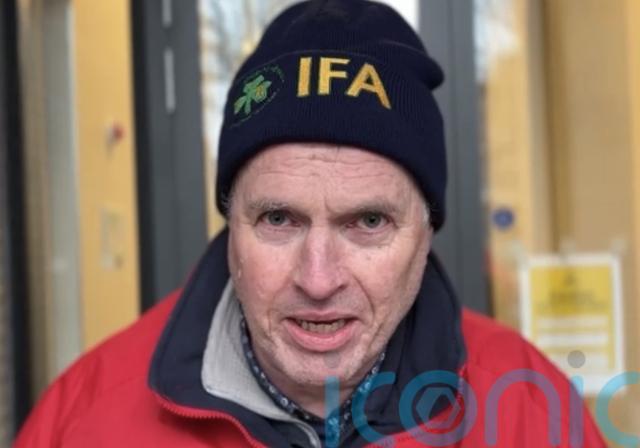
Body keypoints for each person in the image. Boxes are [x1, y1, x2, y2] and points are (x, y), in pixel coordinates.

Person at [16, 1, 607, 447]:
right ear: (231, 225)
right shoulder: (85, 420)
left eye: (368, 221)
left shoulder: (533, 413)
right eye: (279, 218)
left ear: (427, 232)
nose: (318, 279)